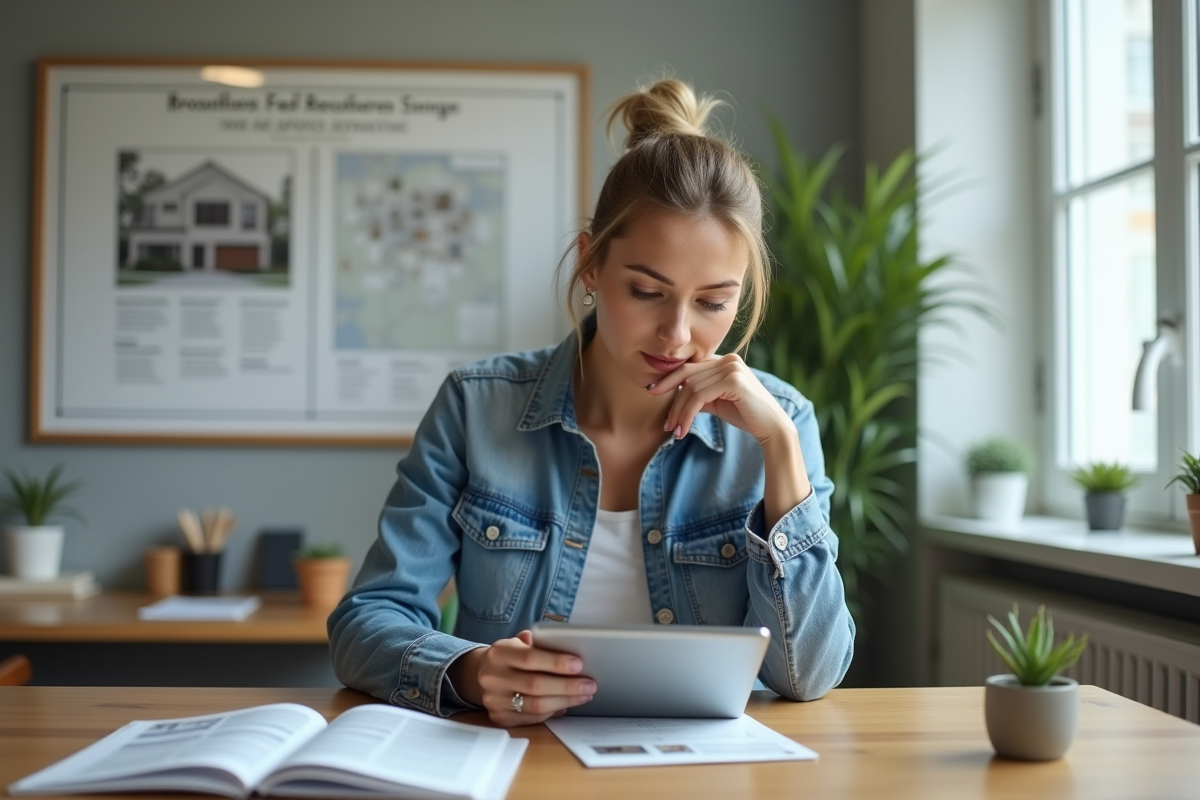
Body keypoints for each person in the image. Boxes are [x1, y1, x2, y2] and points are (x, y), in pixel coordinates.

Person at [328, 78, 855, 728]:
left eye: (714, 302)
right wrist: (472, 670)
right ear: (590, 266)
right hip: (515, 769)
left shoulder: (783, 423)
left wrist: (779, 451)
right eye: (646, 291)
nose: (679, 335)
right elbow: (365, 623)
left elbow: (809, 675)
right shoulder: (476, 408)